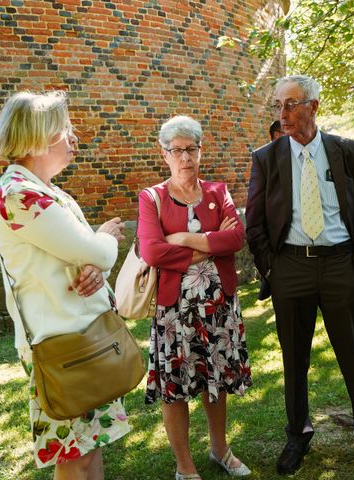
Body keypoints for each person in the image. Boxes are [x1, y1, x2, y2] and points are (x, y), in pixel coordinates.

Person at [245, 74, 354, 475]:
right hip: (290, 267)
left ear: (314, 107)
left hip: (340, 265)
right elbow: (254, 223)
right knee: (294, 360)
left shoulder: (347, 152)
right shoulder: (267, 158)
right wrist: (272, 269)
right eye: (279, 105)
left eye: (291, 104)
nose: (283, 113)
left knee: (353, 357)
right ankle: (297, 435)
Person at [0, 91, 131, 479]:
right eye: (65, 129)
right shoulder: (17, 195)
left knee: (90, 446)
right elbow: (96, 251)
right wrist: (104, 241)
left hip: (80, 336)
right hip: (59, 345)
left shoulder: (48, 192)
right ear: (38, 136)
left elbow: (81, 258)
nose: (74, 138)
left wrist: (95, 266)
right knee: (74, 455)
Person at [138, 115, 252, 480]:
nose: (185, 157)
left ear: (200, 151)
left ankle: (220, 449)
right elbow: (153, 252)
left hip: (218, 307)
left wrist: (185, 239)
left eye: (191, 149)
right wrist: (210, 243)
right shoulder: (151, 198)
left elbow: (236, 239)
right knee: (176, 388)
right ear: (164, 154)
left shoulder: (219, 192)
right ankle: (184, 466)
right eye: (177, 150)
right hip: (174, 312)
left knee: (215, 381)